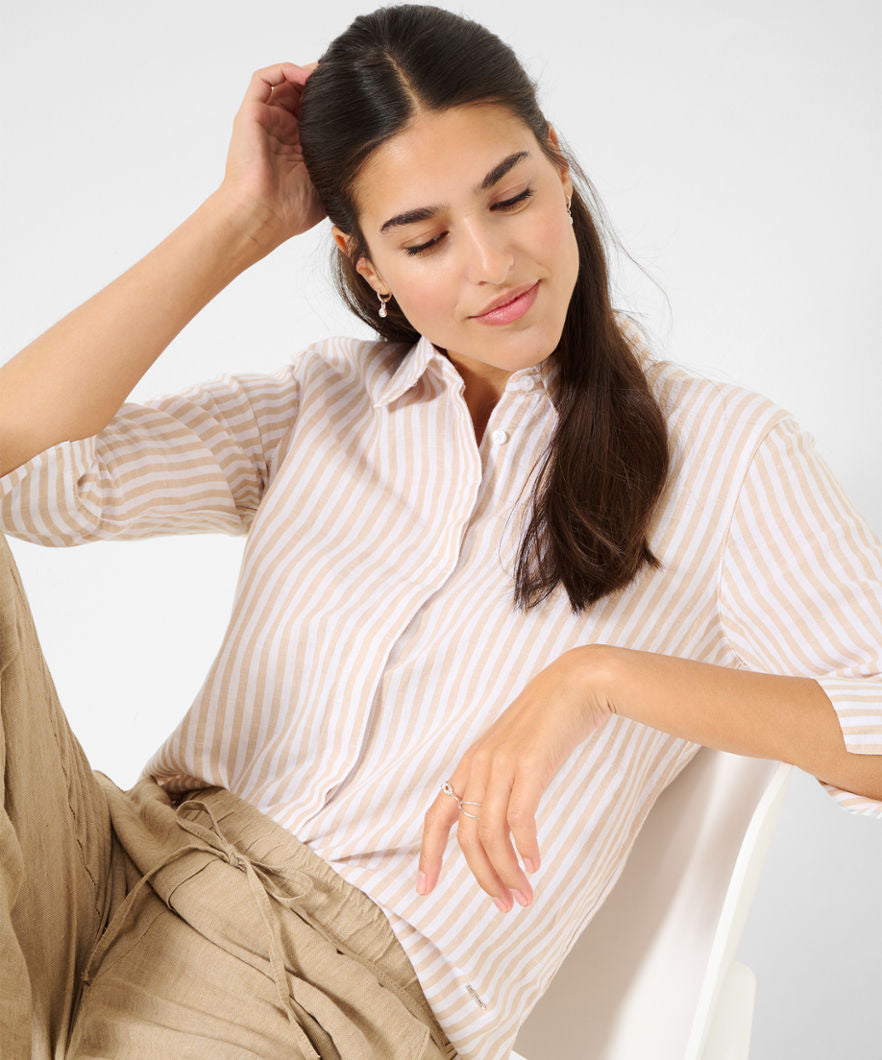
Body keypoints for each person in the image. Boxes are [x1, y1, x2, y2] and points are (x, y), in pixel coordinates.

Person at [1, 4, 880, 1059]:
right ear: (365, 262)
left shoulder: (729, 454)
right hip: (112, 867)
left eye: (512, 196)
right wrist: (236, 219)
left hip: (321, 996)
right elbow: (31, 465)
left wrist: (596, 677)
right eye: (422, 238)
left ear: (560, 168)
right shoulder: (320, 402)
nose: (492, 263)